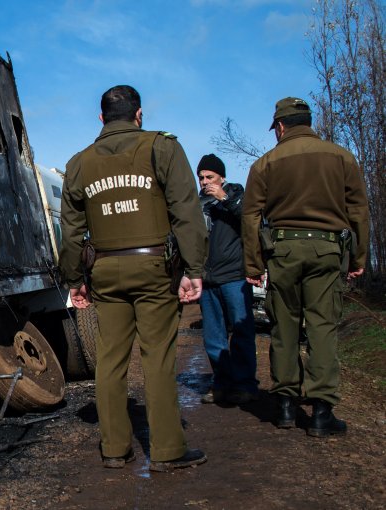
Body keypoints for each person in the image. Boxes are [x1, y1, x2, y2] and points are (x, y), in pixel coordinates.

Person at [59, 85, 208, 472]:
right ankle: (167, 450)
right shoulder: (162, 148)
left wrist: (74, 279)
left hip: (104, 270)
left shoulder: (79, 163)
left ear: (101, 118)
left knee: (110, 359)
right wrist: (193, 268)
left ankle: (113, 448)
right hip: (154, 267)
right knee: (157, 356)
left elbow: (71, 231)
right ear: (138, 115)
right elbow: (186, 211)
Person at [242, 97, 370, 437]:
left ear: (280, 127)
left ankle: (285, 405)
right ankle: (321, 412)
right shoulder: (341, 157)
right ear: (309, 122)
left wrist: (253, 264)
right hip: (327, 250)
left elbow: (251, 216)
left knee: (283, 327)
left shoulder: (266, 163)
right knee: (321, 326)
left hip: (282, 251)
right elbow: (358, 211)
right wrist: (358, 258)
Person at [195, 154, 259, 405]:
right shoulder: (197, 204)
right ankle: (222, 383)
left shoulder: (237, 196)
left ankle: (245, 385)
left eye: (209, 176)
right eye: (201, 177)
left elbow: (252, 222)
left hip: (234, 277)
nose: (204, 181)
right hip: (208, 280)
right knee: (213, 337)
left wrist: (226, 199)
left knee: (242, 332)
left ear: (222, 177)